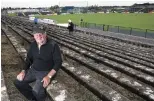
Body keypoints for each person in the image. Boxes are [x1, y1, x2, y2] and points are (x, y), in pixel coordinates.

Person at [14, 25, 62, 101]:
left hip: (46, 72)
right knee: (18, 82)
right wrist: (23, 71)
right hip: (33, 70)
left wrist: (49, 76)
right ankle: (33, 99)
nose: (39, 36)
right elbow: (29, 59)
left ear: (45, 34)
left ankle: (40, 98)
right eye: (36, 34)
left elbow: (58, 62)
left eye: (41, 34)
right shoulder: (33, 45)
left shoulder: (53, 45)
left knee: (37, 91)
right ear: (34, 36)